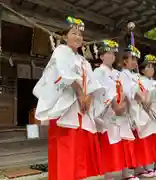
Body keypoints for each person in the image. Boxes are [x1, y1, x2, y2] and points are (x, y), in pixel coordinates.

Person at [33, 16, 105, 180]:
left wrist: (89, 97)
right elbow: (65, 74)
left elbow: (93, 82)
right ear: (65, 36)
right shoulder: (60, 52)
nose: (78, 37)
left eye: (80, 35)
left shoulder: (83, 61)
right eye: (74, 33)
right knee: (66, 147)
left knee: (79, 148)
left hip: (81, 108)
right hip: (65, 107)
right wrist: (80, 93)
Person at [93, 40, 135, 180]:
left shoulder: (118, 73)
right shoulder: (98, 72)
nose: (111, 56)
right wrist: (113, 103)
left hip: (122, 110)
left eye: (112, 53)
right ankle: (109, 175)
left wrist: (123, 103)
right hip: (108, 111)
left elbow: (127, 91)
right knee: (109, 142)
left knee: (125, 140)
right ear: (101, 56)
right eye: (107, 53)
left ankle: (127, 172)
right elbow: (99, 91)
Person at [119, 46, 156, 178]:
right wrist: (141, 97)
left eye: (136, 59)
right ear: (125, 61)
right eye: (132, 59)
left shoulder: (134, 76)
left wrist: (144, 98)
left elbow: (142, 90)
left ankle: (139, 167)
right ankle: (128, 171)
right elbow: (127, 92)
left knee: (139, 140)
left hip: (139, 108)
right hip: (130, 110)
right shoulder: (122, 75)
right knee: (130, 141)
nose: (135, 62)